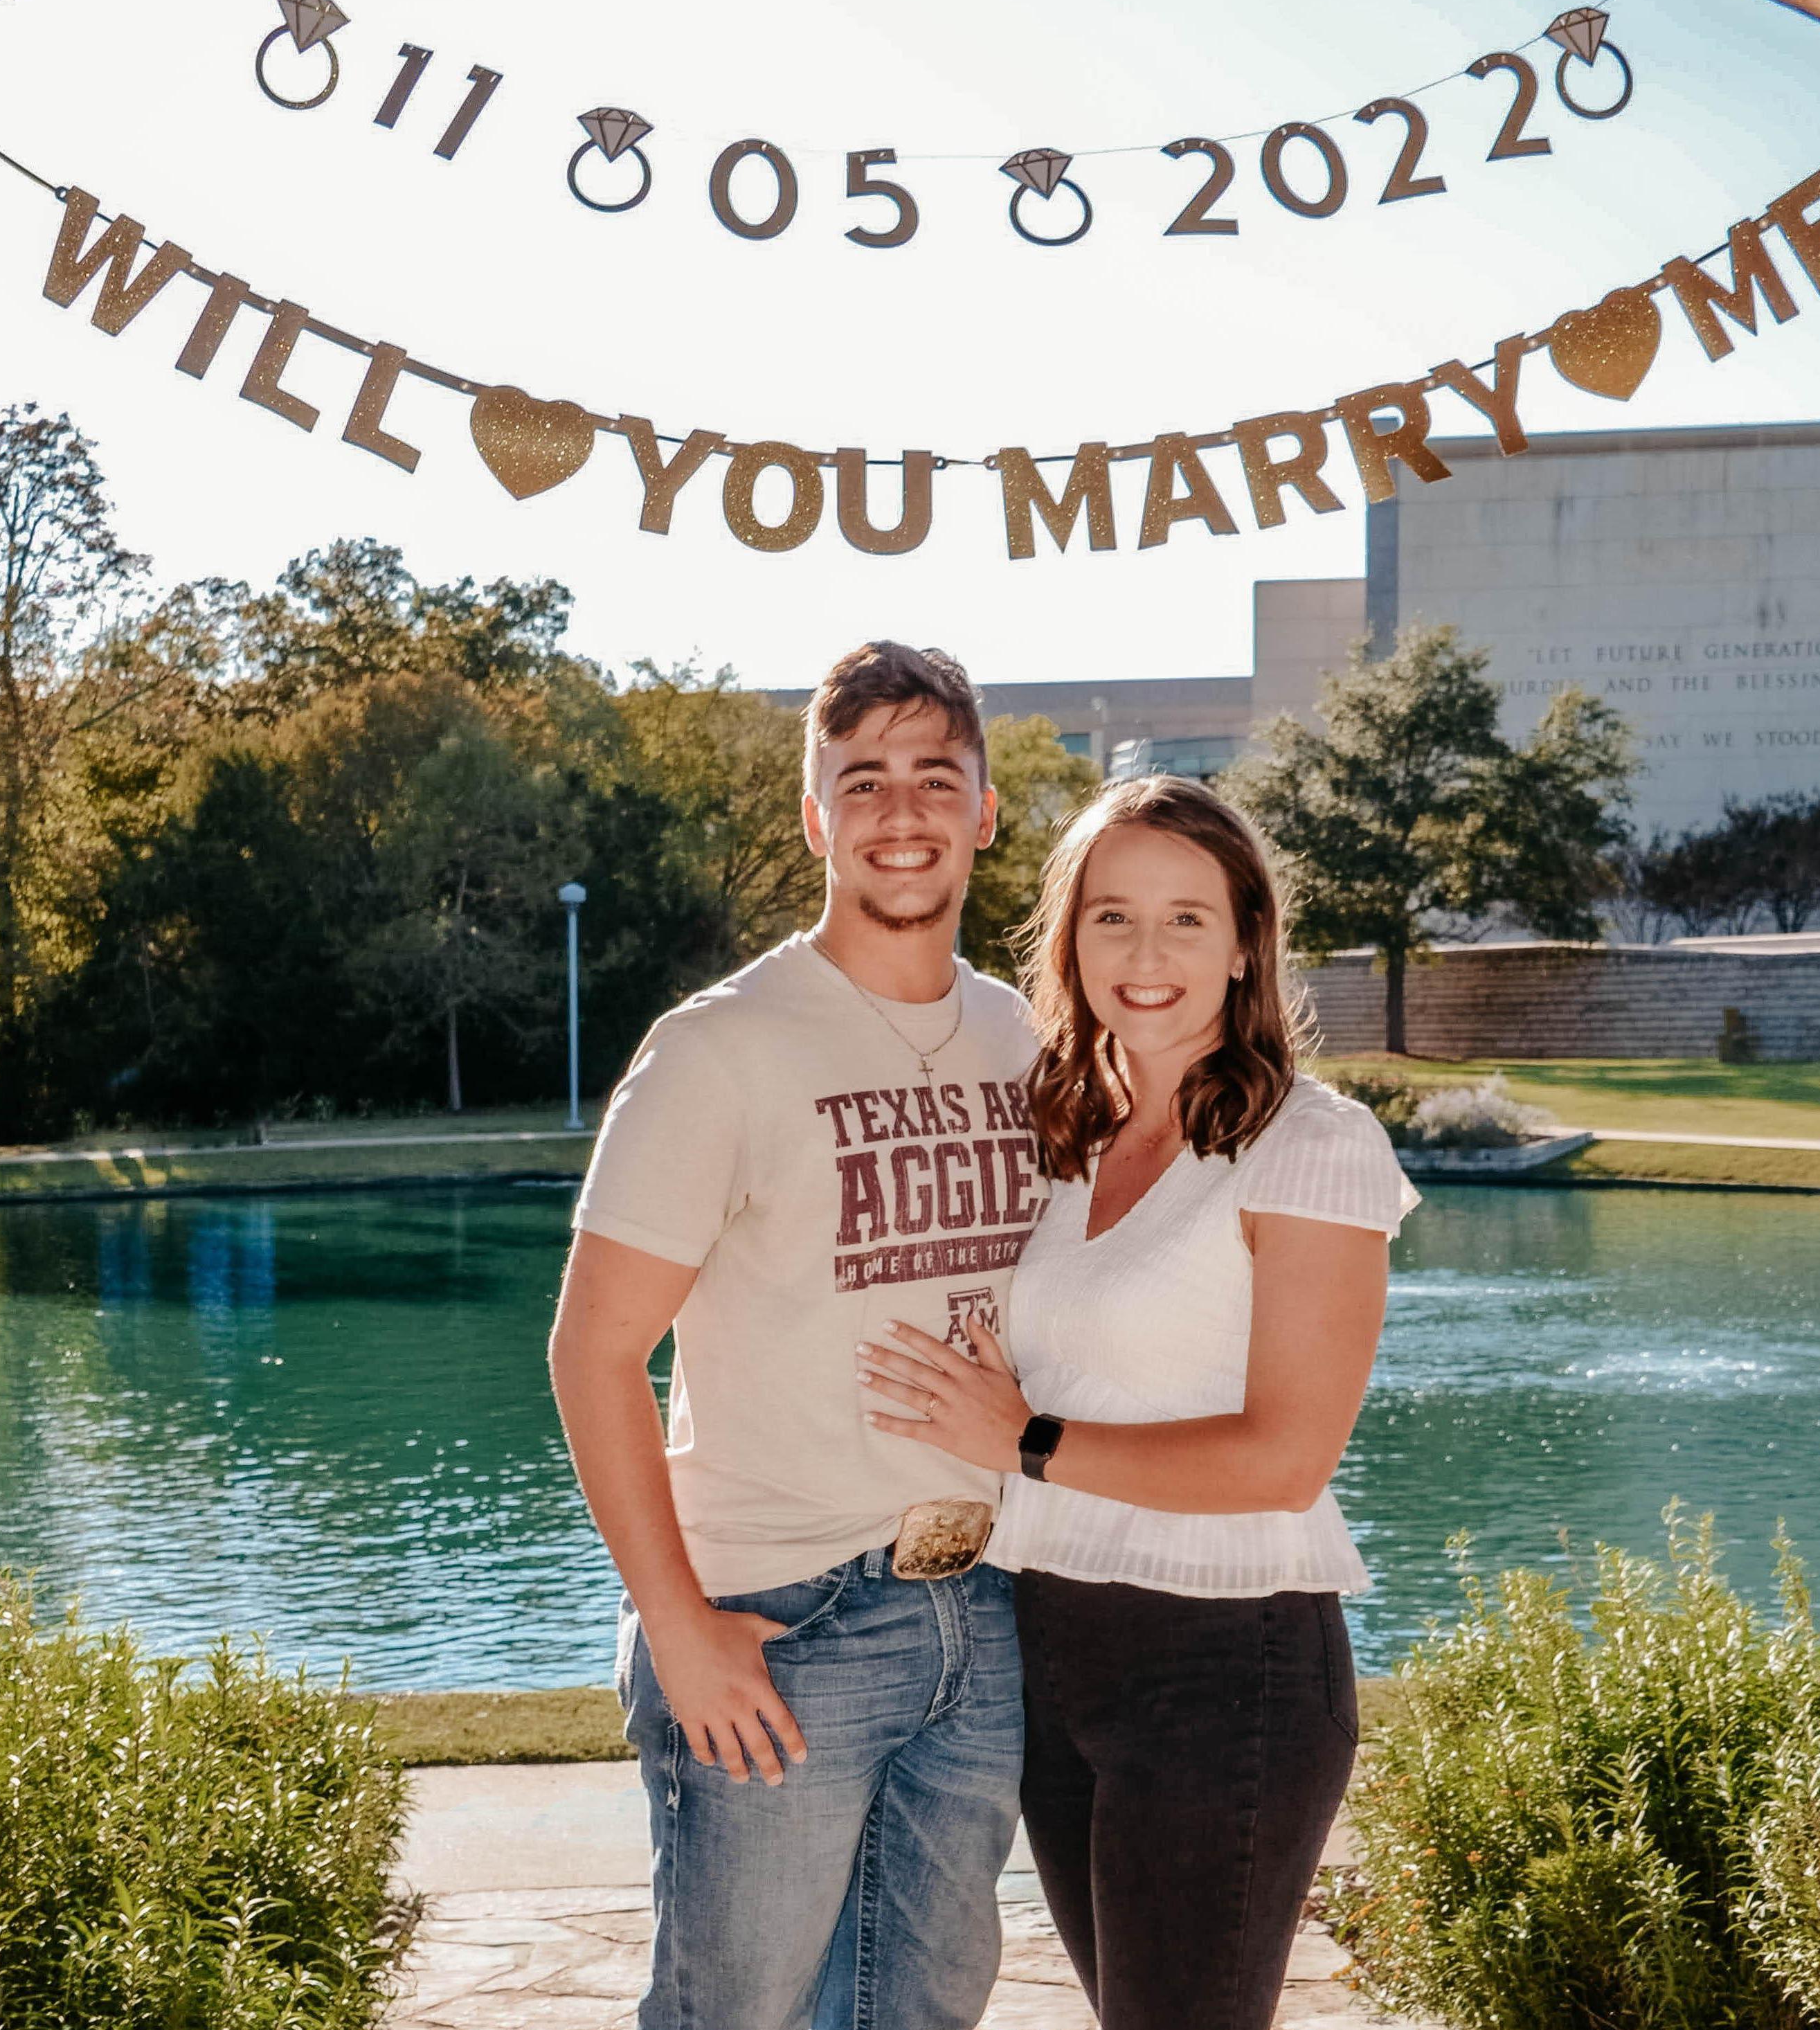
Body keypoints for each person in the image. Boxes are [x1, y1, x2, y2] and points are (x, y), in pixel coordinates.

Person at [856, 775, 1416, 2030]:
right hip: (1050, 1651)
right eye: (1112, 916)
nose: (1145, 953)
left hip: (1227, 1665)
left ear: (1242, 944)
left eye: (1184, 919)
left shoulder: (1312, 1146)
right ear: (1069, 939)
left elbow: (1284, 1458)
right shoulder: (1068, 1136)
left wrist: (1025, 1441)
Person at [548, 642, 1043, 2030]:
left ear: (985, 810)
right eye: (863, 781)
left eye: (935, 778)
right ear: (816, 817)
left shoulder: (1022, 1039)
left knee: (923, 2015)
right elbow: (594, 1355)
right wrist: (679, 1627)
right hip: (783, 1622)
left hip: (984, 1612)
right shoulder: (723, 1047)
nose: (902, 813)